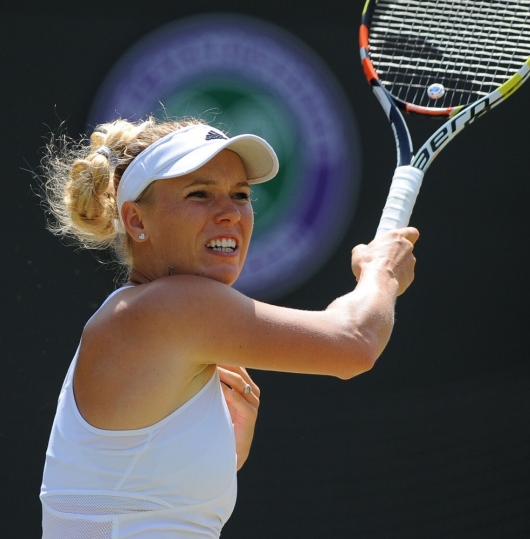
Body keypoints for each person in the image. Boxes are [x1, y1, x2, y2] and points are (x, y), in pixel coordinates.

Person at [37, 117, 418, 539]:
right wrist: (381, 272)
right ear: (136, 221)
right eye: (199, 194)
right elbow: (354, 343)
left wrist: (221, 449)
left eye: (241, 195)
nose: (230, 213)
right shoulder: (171, 306)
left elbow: (134, 500)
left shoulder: (144, 318)